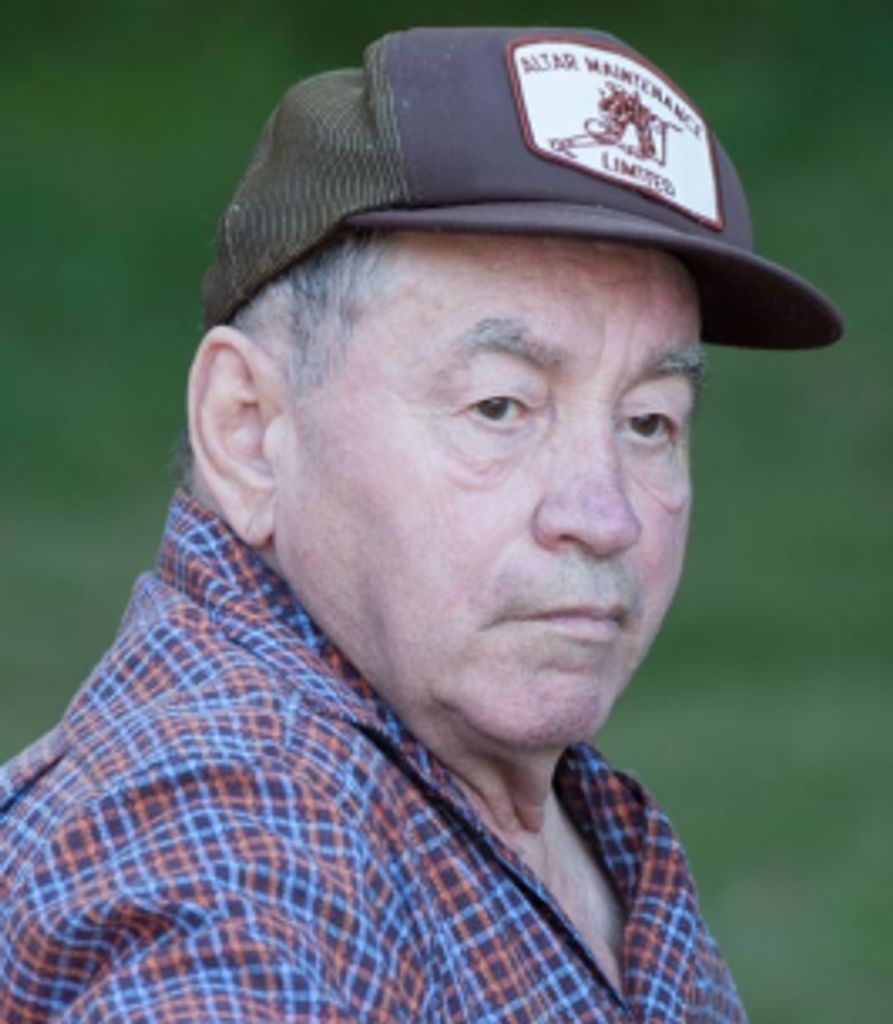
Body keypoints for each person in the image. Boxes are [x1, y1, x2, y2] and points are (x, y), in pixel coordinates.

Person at [0, 25, 842, 1023]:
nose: (602, 514)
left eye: (649, 421)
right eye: (498, 405)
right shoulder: (231, 846)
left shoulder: (511, 798)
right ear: (249, 430)